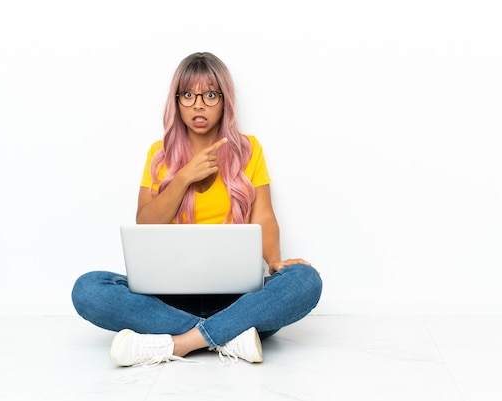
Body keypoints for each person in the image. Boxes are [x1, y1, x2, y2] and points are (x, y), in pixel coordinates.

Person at [71, 52, 323, 367]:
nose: (199, 105)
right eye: (188, 95)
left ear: (224, 101)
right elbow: (145, 223)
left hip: (237, 298)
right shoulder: (158, 155)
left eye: (210, 95)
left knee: (305, 280)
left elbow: (264, 216)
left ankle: (180, 343)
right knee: (88, 289)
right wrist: (185, 176)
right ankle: (230, 335)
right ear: (176, 102)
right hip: (168, 298)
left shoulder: (249, 149)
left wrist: (275, 262)